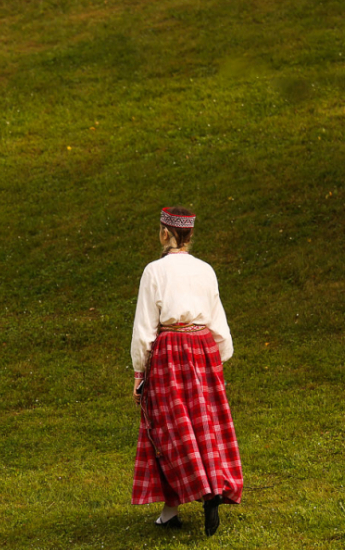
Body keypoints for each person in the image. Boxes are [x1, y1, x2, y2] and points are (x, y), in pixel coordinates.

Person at [130, 207, 243, 536]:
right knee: (205, 423)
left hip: (171, 351)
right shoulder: (205, 270)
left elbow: (144, 328)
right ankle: (202, 495)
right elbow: (217, 316)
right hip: (204, 348)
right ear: (189, 235)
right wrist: (219, 357)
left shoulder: (154, 272)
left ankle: (179, 504)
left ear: (165, 233)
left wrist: (140, 374)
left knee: (169, 429)